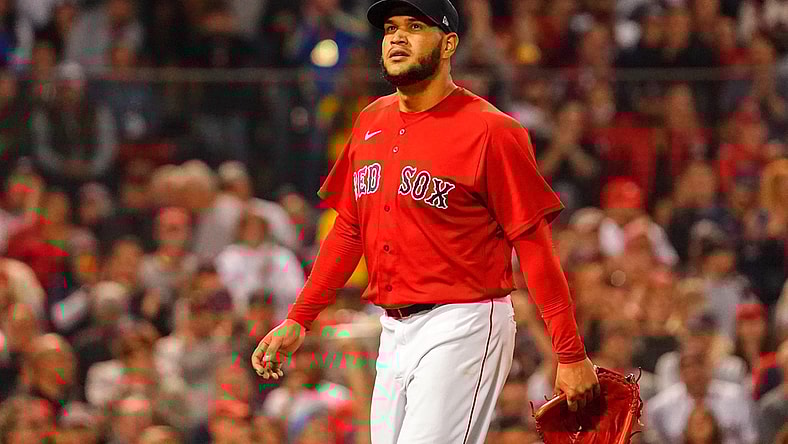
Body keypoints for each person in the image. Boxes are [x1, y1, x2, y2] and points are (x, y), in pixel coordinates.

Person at [251, 0, 600, 442]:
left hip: (465, 321)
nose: (397, 37)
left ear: (449, 43)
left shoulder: (493, 131)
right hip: (393, 330)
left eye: (415, 26)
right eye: (390, 28)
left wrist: (569, 353)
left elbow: (534, 246)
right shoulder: (369, 121)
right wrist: (299, 319)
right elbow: (349, 230)